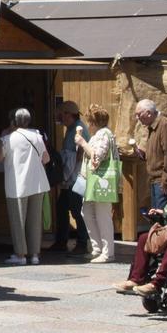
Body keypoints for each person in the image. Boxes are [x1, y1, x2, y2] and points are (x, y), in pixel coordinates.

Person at [0, 108, 51, 265]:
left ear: (14, 121)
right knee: (35, 220)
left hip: (17, 184)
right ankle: (35, 255)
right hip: (37, 183)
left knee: (18, 220)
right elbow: (46, 159)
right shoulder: (37, 136)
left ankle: (20, 255)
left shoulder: (7, 139)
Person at [80, 106, 120, 262]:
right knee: (87, 211)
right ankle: (97, 248)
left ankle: (108, 252)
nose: (88, 125)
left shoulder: (103, 134)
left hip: (102, 180)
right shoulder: (100, 134)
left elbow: (97, 158)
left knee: (103, 215)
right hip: (94, 180)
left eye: (89, 122)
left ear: (94, 122)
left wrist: (83, 143)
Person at [50, 101, 87, 256]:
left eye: (62, 115)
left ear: (68, 114)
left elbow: (77, 156)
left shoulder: (78, 129)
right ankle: (61, 241)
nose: (59, 118)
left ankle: (82, 243)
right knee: (62, 208)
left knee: (77, 210)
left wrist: (65, 175)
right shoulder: (72, 128)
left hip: (74, 178)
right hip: (70, 178)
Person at [132, 99, 167, 211]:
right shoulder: (152, 128)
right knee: (156, 216)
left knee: (162, 217)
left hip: (162, 182)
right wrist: (141, 153)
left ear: (148, 113)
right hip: (155, 181)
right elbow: (156, 153)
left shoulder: (165, 125)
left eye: (139, 115)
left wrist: (166, 181)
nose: (137, 118)